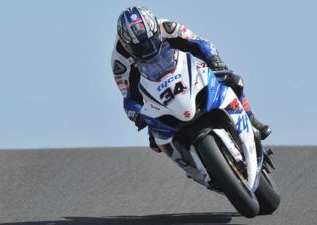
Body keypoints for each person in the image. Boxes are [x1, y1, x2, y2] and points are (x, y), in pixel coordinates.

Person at [111, 6, 271, 153]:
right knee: (156, 141)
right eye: (141, 47)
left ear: (155, 29)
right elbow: (129, 98)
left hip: (185, 73)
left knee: (231, 79)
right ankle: (190, 164)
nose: (150, 49)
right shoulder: (119, 62)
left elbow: (201, 43)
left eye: (152, 40)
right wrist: (138, 115)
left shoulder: (167, 27)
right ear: (126, 45)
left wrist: (215, 60)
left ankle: (251, 119)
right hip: (156, 93)